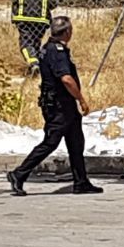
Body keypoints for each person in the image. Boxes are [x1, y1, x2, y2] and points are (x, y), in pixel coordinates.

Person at [7, 16, 103, 196]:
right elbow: (66, 79)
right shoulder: (57, 51)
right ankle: (18, 174)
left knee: (76, 143)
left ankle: (81, 182)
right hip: (59, 107)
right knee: (50, 143)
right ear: (67, 32)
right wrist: (81, 99)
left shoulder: (47, 48)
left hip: (64, 106)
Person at [0, 0, 54, 70]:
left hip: (23, 19)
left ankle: (33, 63)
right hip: (41, 21)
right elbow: (53, 3)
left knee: (26, 43)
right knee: (35, 43)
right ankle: (37, 65)